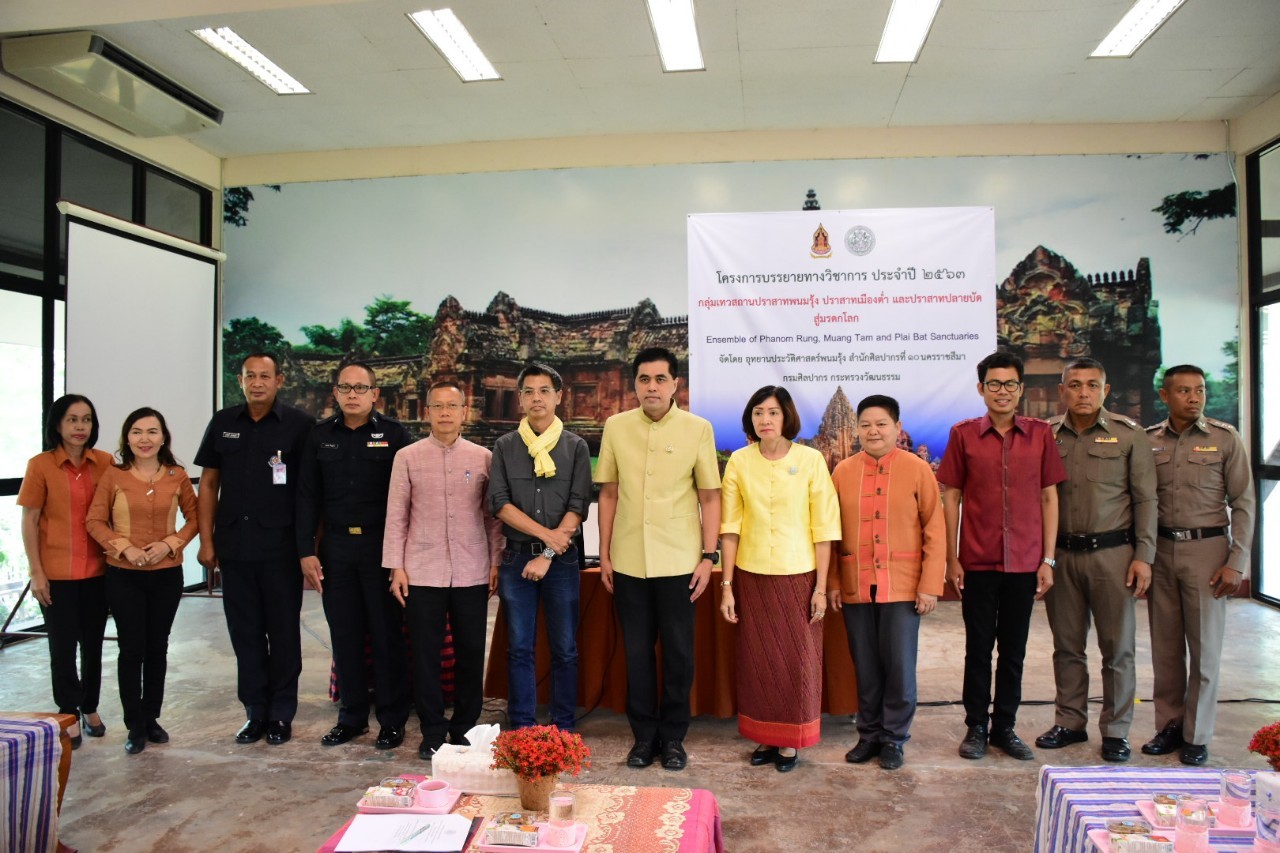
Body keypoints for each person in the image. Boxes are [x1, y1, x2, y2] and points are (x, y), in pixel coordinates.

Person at [595, 347, 721, 772]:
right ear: (635, 384)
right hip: (629, 560)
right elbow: (608, 493)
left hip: (680, 561)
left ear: (675, 384)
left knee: (679, 655)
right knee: (637, 653)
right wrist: (606, 553)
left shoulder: (697, 428)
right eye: (644, 379)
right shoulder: (615, 427)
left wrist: (708, 556)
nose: (652, 386)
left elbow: (709, 495)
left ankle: (673, 738)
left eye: (660, 379)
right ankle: (643, 737)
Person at [936, 351, 1065, 762]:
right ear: (981, 389)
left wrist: (1048, 559)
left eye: (1010, 384)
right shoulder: (963, 434)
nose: (1002, 391)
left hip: (1025, 561)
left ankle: (1004, 727)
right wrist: (951, 557)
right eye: (994, 384)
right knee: (978, 647)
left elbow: (1049, 496)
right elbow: (951, 495)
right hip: (977, 560)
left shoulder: (1040, 434)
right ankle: (976, 725)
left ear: (1021, 389)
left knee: (1014, 649)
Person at [1036, 356, 1157, 762]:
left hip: (1114, 556)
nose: (1083, 392)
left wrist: (1144, 555)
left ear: (1105, 391)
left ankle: (1116, 730)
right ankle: (1069, 722)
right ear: (1062, 391)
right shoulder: (1045, 435)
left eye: (1091, 385)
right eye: (1074, 385)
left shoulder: (1128, 435)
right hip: (1062, 557)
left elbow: (1145, 499)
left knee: (1117, 648)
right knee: (1067, 646)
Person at [718, 386, 840, 773]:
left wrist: (821, 587)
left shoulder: (811, 460)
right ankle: (766, 738)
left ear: (786, 417)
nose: (765, 420)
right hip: (751, 576)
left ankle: (791, 743)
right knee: (758, 661)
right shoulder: (738, 461)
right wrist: (727, 585)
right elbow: (730, 527)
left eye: (772, 412)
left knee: (797, 661)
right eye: (758, 413)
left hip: (799, 576)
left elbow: (824, 528)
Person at [195, 353, 314, 746]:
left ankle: (281, 714)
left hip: (280, 550)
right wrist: (206, 540)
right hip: (235, 548)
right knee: (244, 635)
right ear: (240, 380)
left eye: (265, 376)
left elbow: (307, 491)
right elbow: (209, 484)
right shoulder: (224, 422)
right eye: (250, 376)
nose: (257, 383)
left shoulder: (299, 425)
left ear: (279, 380)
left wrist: (307, 547)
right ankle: (254, 712)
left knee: (282, 635)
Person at [384, 379, 504, 760]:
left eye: (453, 407)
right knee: (425, 654)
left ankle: (466, 728)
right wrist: (396, 566)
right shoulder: (408, 457)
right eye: (438, 407)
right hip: (422, 570)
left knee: (471, 651)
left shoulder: (482, 457)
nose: (446, 413)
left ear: (464, 412)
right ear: (427, 412)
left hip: (471, 568)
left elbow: (493, 519)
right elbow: (396, 515)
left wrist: (496, 561)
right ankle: (432, 730)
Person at [1141, 365, 1254, 766]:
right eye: (1184, 391)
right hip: (1162, 550)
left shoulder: (1224, 439)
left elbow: (1243, 503)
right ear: (1165, 396)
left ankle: (1197, 734)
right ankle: (1169, 726)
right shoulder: (1148, 440)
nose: (1194, 398)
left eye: (1200, 390)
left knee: (1205, 648)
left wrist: (1236, 561)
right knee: (1166, 649)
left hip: (1208, 551)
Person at [297, 363, 413, 750]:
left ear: (375, 394)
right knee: (344, 636)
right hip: (336, 549)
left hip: (381, 549)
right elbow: (306, 499)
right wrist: (305, 553)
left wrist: (403, 556)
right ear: (335, 392)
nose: (352, 394)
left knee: (385, 636)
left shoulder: (395, 435)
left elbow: (410, 499)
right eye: (345, 387)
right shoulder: (319, 438)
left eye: (360, 388)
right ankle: (352, 717)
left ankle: (392, 720)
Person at [828, 395, 945, 771]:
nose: (873, 431)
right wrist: (832, 582)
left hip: (903, 583)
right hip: (855, 582)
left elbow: (935, 530)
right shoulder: (842, 471)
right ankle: (869, 735)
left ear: (897, 427)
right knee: (865, 665)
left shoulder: (917, 469)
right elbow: (829, 534)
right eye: (865, 425)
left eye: (881, 424)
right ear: (857, 429)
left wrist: (929, 585)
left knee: (898, 667)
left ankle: (894, 738)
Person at [85, 408, 199, 754]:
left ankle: (152, 718)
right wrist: (125, 549)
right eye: (137, 432)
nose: (144, 439)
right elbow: (94, 521)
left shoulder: (177, 475)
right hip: (124, 576)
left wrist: (169, 544)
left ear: (163, 437)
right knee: (131, 648)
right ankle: (134, 724)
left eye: (152, 432)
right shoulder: (113, 476)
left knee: (158, 646)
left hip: (166, 575)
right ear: (127, 437)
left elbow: (194, 518)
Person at [487, 363, 592, 731]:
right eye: (529, 391)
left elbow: (577, 507)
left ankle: (563, 727)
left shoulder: (575, 446)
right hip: (517, 561)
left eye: (544, 390)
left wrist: (548, 553)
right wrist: (546, 538)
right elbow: (499, 503)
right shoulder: (505, 446)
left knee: (564, 650)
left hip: (560, 564)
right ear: (519, 399)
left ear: (559, 397)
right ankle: (523, 727)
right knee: (519, 649)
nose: (537, 398)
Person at [18, 394, 114, 749]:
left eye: (86, 420)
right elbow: (30, 519)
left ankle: (90, 707)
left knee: (93, 645)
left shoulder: (104, 462)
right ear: (57, 424)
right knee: (62, 647)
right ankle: (68, 711)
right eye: (72, 420)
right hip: (56, 573)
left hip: (98, 572)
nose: (79, 427)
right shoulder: (40, 465)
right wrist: (36, 571)